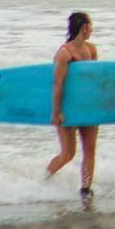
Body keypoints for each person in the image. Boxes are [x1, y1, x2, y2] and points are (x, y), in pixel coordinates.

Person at [45, 11, 98, 197]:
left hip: (88, 107)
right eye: (90, 25)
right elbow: (58, 83)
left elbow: (94, 79)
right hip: (68, 108)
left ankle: (85, 189)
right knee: (68, 153)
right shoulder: (64, 53)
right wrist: (56, 111)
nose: (91, 29)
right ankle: (42, 180)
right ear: (84, 27)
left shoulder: (91, 50)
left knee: (90, 149)